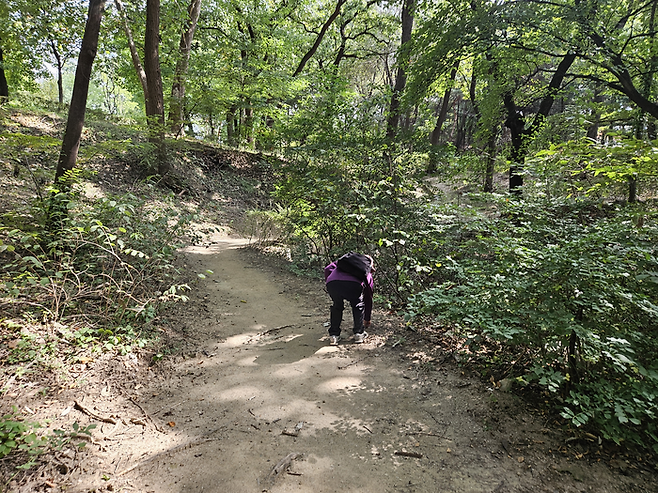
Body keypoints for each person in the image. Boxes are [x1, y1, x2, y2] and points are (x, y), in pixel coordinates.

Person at [324, 253, 374, 345]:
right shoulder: (365, 269)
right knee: (357, 305)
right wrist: (367, 319)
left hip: (332, 283)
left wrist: (329, 282)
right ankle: (359, 333)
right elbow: (368, 296)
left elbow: (327, 269)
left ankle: (334, 336)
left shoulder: (344, 262)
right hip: (354, 285)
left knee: (337, 306)